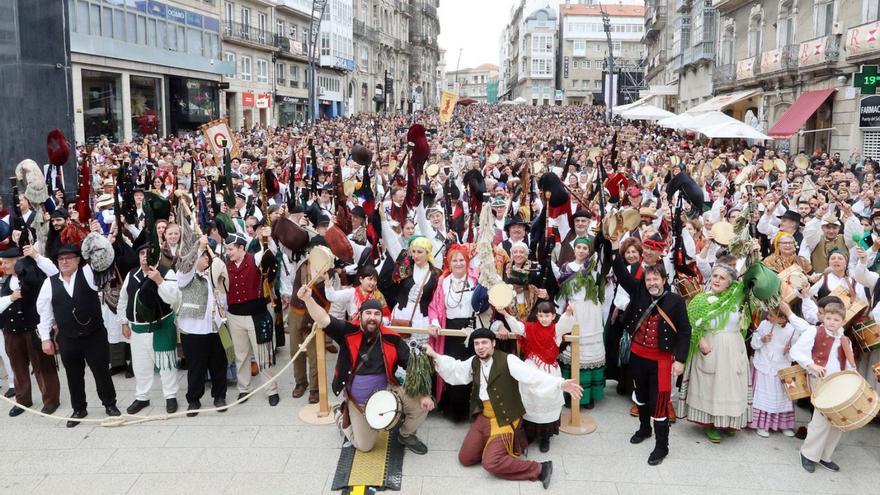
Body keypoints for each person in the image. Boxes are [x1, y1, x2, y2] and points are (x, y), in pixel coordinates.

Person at [424, 328, 583, 489]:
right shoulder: (474, 361)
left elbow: (532, 376)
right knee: (465, 458)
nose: (480, 347)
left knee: (490, 463)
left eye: (484, 342)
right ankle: (492, 446)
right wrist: (435, 356)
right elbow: (456, 370)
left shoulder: (508, 360)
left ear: (493, 343)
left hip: (505, 418)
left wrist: (560, 383)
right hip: (484, 417)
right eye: (477, 343)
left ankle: (540, 468)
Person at [298, 284, 432, 455]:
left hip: (389, 391)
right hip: (359, 400)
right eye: (368, 313)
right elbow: (323, 319)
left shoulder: (392, 338)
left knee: (422, 404)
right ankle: (341, 416)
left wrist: (425, 394)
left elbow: (412, 366)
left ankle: (406, 435)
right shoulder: (347, 332)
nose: (372, 318)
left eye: (377, 314)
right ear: (360, 315)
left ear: (382, 318)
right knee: (365, 446)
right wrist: (308, 299)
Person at [611, 245, 690, 466]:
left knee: (659, 402)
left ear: (664, 279)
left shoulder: (675, 301)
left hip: (661, 361)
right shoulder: (639, 292)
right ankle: (645, 429)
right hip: (637, 356)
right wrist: (616, 247)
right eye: (648, 280)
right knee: (642, 396)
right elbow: (621, 272)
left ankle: (661, 446)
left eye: (656, 279)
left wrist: (681, 360)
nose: (652, 283)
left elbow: (685, 331)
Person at [36, 243, 120, 427]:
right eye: (60, 259)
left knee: (101, 371)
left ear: (77, 261)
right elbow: (45, 313)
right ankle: (79, 408)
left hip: (94, 334)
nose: (64, 262)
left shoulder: (88, 273)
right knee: (73, 375)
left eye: (68, 258)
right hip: (67, 337)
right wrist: (45, 339)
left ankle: (110, 404)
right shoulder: (49, 283)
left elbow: (104, 256)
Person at [678, 263, 751, 443]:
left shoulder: (737, 298)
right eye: (715, 276)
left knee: (731, 387)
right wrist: (700, 339)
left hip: (734, 346)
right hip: (711, 347)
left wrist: (754, 252)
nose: (717, 280)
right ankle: (711, 424)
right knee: (711, 386)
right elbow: (691, 323)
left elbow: (753, 276)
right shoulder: (701, 300)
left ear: (730, 283)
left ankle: (729, 421)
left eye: (722, 278)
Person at [782, 301, 856, 473]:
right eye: (828, 318)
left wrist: (853, 378)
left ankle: (825, 455)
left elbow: (850, 363)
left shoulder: (845, 340)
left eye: (836, 319)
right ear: (823, 318)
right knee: (821, 420)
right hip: (820, 381)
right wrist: (811, 365)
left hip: (840, 383)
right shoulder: (814, 332)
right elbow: (797, 351)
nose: (831, 322)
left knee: (838, 421)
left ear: (842, 321)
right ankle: (807, 454)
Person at [117, 240, 181, 414]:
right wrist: (123, 321)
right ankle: (142, 397)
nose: (145, 257)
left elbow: (172, 298)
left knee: (166, 364)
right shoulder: (132, 274)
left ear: (156, 255)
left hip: (161, 327)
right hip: (137, 329)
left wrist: (159, 281)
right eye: (141, 254)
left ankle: (170, 396)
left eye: (148, 253)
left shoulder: (166, 272)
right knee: (140, 365)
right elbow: (123, 300)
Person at [501, 301, 574, 453]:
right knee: (530, 399)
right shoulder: (530, 327)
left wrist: (568, 313)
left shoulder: (557, 329)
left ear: (553, 316)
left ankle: (545, 437)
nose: (543, 318)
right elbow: (517, 327)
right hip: (531, 368)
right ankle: (530, 433)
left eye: (547, 315)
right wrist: (505, 314)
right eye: (540, 315)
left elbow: (566, 324)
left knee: (547, 400)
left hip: (550, 370)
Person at [0, 245, 61, 417]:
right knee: (18, 366)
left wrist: (35, 255)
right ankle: (23, 400)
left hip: (33, 328)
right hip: (12, 330)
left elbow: (53, 272)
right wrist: (10, 298)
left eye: (6, 263)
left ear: (17, 263)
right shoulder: (5, 281)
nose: (3, 266)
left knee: (43, 366)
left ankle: (51, 400)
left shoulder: (34, 275)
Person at [222, 232, 281, 406]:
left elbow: (269, 255)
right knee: (241, 356)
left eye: (231, 249)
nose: (228, 253)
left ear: (241, 248)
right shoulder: (225, 266)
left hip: (256, 315)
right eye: (227, 249)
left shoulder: (254, 259)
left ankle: (272, 390)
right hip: (234, 317)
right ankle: (243, 389)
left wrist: (268, 238)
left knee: (263, 354)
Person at [177, 235, 228, 416]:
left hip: (214, 328)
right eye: (203, 256)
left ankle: (219, 395)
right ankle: (194, 399)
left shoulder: (209, 277)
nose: (207, 258)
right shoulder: (185, 277)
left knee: (218, 364)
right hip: (193, 331)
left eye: (207, 256)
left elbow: (220, 297)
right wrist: (198, 247)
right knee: (196, 367)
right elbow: (186, 267)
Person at [427, 244, 477, 422]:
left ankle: (465, 410)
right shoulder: (443, 281)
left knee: (467, 367)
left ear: (467, 261)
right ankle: (449, 407)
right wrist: (434, 322)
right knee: (449, 366)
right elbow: (434, 306)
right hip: (449, 329)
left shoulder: (476, 278)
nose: (458, 263)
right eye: (454, 260)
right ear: (449, 262)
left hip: (470, 330)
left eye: (461, 259)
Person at [554, 236, 605, 408]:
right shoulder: (566, 268)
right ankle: (571, 395)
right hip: (573, 309)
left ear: (589, 251)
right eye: (579, 247)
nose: (582, 251)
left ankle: (588, 396)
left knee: (588, 352)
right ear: (574, 249)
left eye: (585, 248)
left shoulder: (593, 266)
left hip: (591, 310)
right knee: (572, 350)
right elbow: (561, 293)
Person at [748, 308, 797, 438]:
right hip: (764, 366)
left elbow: (795, 354)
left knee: (783, 398)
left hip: (781, 368)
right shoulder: (764, 325)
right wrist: (762, 340)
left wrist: (789, 352)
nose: (768, 317)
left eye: (772, 316)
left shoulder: (792, 331)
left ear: (783, 318)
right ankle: (761, 424)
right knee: (763, 397)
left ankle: (783, 425)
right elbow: (753, 345)